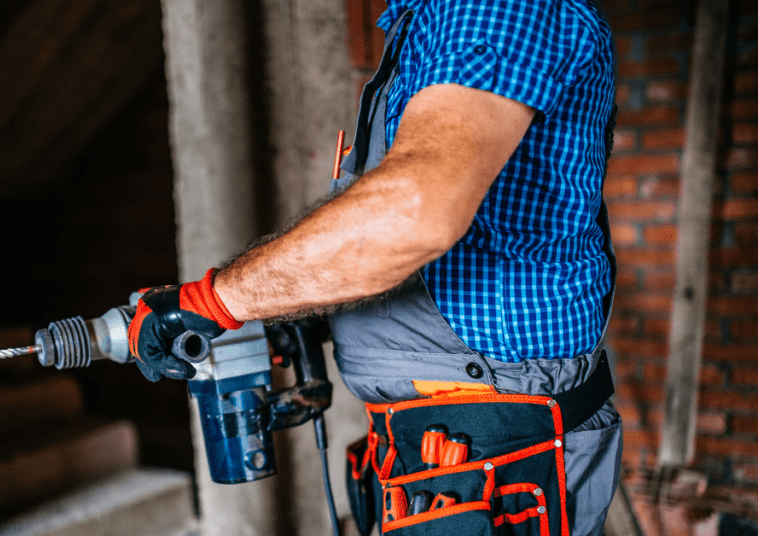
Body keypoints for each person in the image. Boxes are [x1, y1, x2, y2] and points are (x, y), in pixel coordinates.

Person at [128, 0, 622, 534]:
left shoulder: (488, 7)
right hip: (432, 454)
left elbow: (412, 211)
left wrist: (211, 302)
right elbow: (423, 244)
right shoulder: (425, 23)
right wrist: (307, 307)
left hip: (494, 455)